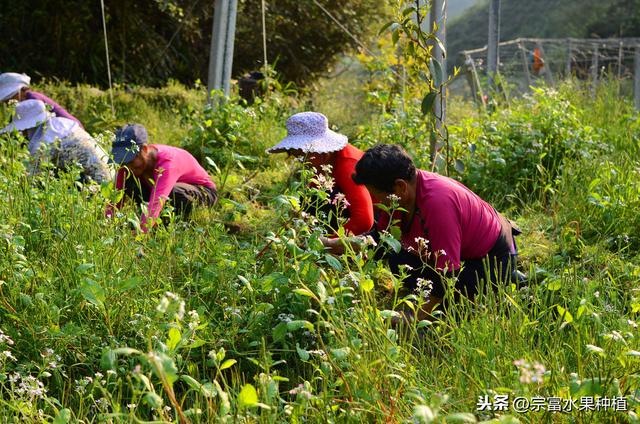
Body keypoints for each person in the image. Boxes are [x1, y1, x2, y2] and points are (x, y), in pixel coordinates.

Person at [350, 144, 520, 315]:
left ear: (400, 187)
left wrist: (413, 318)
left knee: (453, 305)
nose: (372, 201)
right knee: (397, 257)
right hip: (459, 252)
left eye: (376, 196)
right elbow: (381, 239)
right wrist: (335, 244)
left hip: (493, 256)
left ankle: (509, 280)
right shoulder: (405, 193)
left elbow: (447, 274)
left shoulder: (438, 204)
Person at [267, 111, 374, 238]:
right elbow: (312, 198)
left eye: (303, 154)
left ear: (319, 148)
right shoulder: (321, 162)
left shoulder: (347, 164)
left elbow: (364, 220)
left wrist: (326, 243)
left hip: (378, 226)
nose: (302, 161)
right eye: (296, 155)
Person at [107, 123, 218, 233]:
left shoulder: (168, 163)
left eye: (131, 160)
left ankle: (179, 227)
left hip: (203, 193)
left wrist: (141, 233)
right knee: (130, 180)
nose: (128, 167)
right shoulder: (126, 167)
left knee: (174, 192)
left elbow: (157, 201)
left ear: (145, 149)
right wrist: (106, 226)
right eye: (124, 162)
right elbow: (115, 197)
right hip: (162, 194)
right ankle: (157, 224)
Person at [0, 99, 112, 183]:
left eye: (22, 130)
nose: (22, 134)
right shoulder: (61, 124)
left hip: (96, 184)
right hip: (111, 175)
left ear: (28, 127)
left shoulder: (44, 141)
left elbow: (33, 178)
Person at [0, 72, 83, 127]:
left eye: (9, 96)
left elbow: (34, 126)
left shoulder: (33, 99)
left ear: (20, 90)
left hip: (69, 128)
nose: (7, 101)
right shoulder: (24, 104)